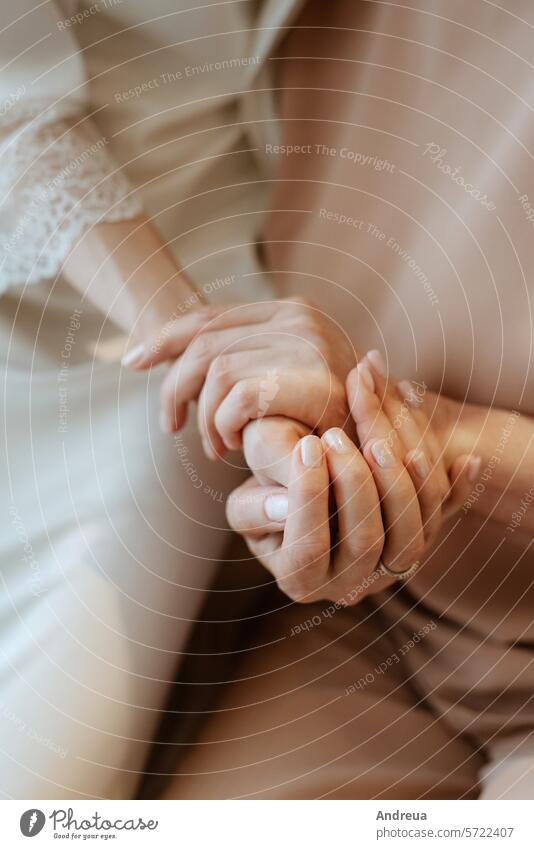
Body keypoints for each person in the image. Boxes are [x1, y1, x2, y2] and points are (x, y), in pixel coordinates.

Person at [0, 0, 304, 798]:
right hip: (79, 313)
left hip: (198, 346)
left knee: (47, 792)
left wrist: (246, 370)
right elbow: (11, 123)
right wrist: (206, 347)